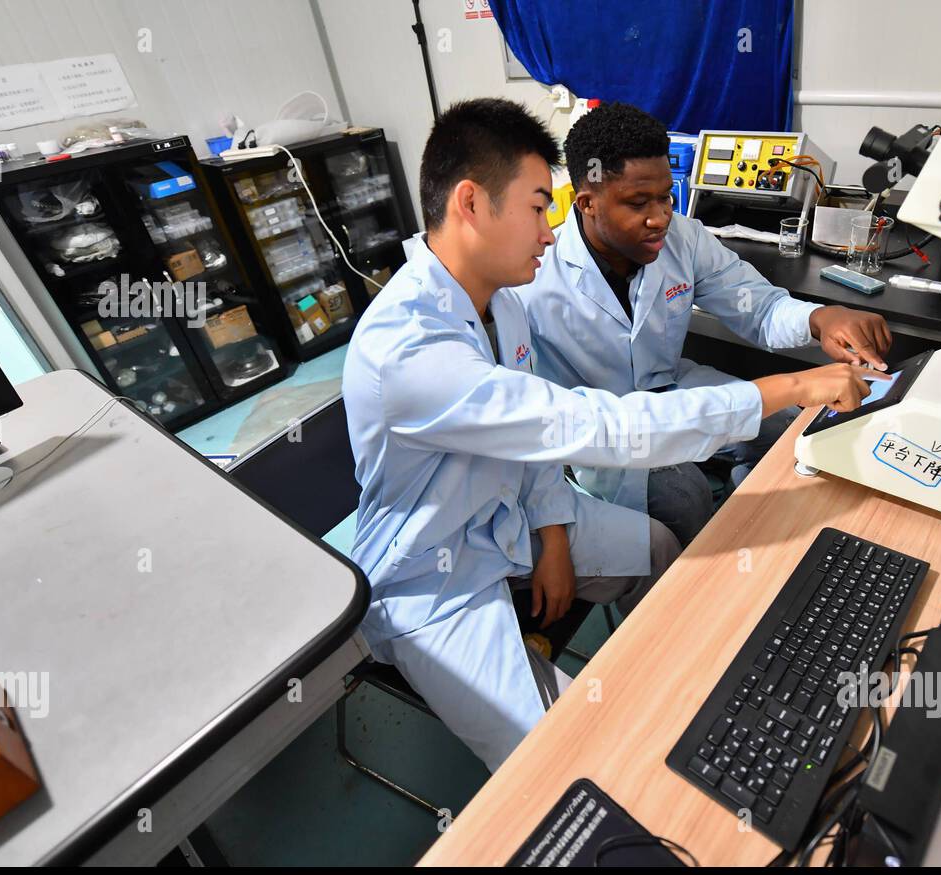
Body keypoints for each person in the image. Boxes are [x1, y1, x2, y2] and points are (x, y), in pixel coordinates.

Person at [342, 98, 886, 771]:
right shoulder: (410, 348)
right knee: (564, 759)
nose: (548, 233)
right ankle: (629, 745)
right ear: (472, 203)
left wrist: (551, 534)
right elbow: (588, 426)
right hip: (435, 573)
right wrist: (794, 385)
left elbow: (530, 445)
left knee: (657, 547)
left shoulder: (498, 302)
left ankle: (679, 688)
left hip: (512, 516)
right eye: (538, 207)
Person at [517, 102, 894, 548]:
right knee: (685, 497)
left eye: (665, 197)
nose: (660, 218)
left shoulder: (684, 238)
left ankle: (758, 534)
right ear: (587, 204)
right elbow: (533, 422)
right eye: (638, 203)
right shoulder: (533, 280)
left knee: (788, 430)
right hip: (609, 428)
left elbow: (759, 308)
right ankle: (707, 578)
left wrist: (818, 318)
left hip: (673, 387)